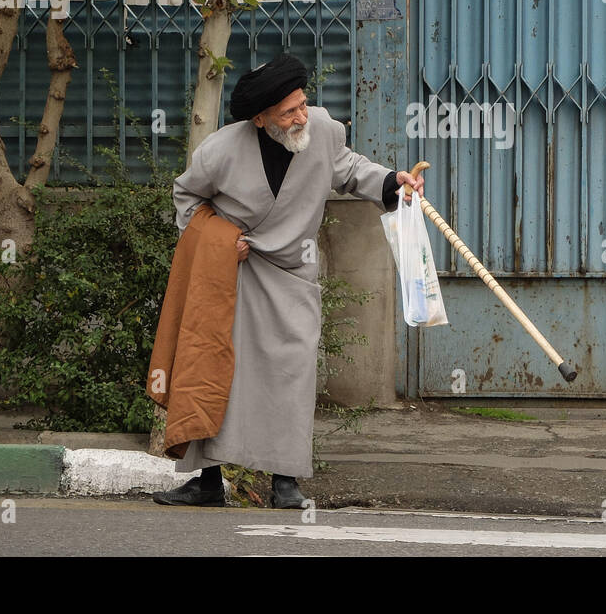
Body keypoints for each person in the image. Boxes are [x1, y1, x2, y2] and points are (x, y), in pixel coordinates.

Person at [151, 53, 421, 509]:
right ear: (261, 119)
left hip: (294, 275)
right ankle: (208, 482)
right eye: (288, 112)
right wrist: (218, 239)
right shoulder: (219, 150)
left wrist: (393, 182)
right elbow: (186, 196)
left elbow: (352, 169)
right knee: (218, 371)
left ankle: (286, 481)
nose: (301, 117)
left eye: (302, 104)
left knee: (291, 376)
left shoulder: (322, 130)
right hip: (233, 274)